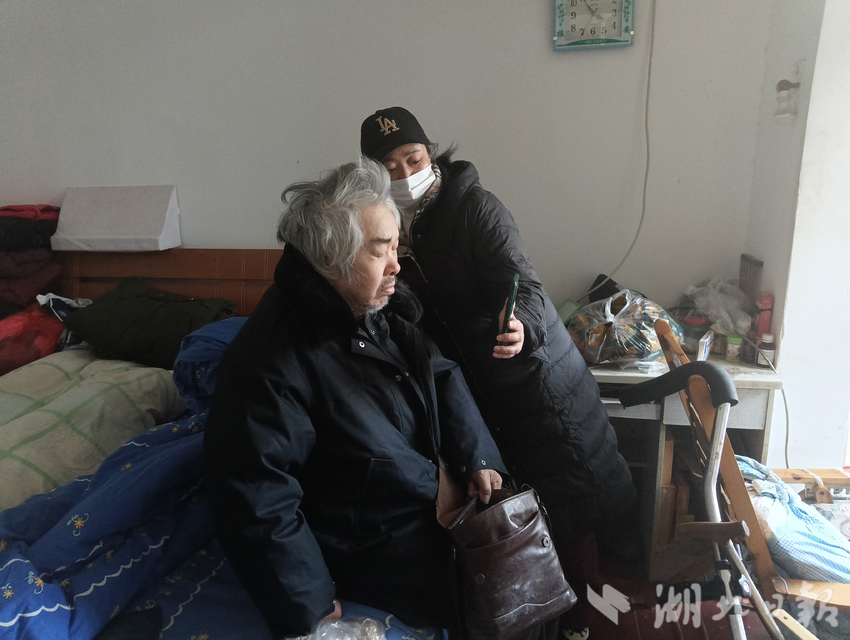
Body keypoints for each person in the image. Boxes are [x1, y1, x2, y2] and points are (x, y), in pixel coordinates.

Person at [360, 107, 640, 639]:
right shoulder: (387, 225)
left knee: (574, 508)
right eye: (388, 166)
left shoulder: (474, 208)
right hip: (480, 391)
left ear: (430, 153)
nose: (403, 174)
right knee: (524, 514)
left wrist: (521, 327)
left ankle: (588, 621)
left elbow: (524, 286)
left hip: (537, 380)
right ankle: (547, 618)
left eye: (412, 159)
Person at [203, 158, 506, 639]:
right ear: (332, 259)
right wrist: (311, 607)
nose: (396, 265)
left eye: (397, 247)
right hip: (377, 545)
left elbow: (441, 372)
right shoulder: (271, 361)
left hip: (430, 504)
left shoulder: (375, 304)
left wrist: (478, 455)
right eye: (381, 251)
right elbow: (257, 496)